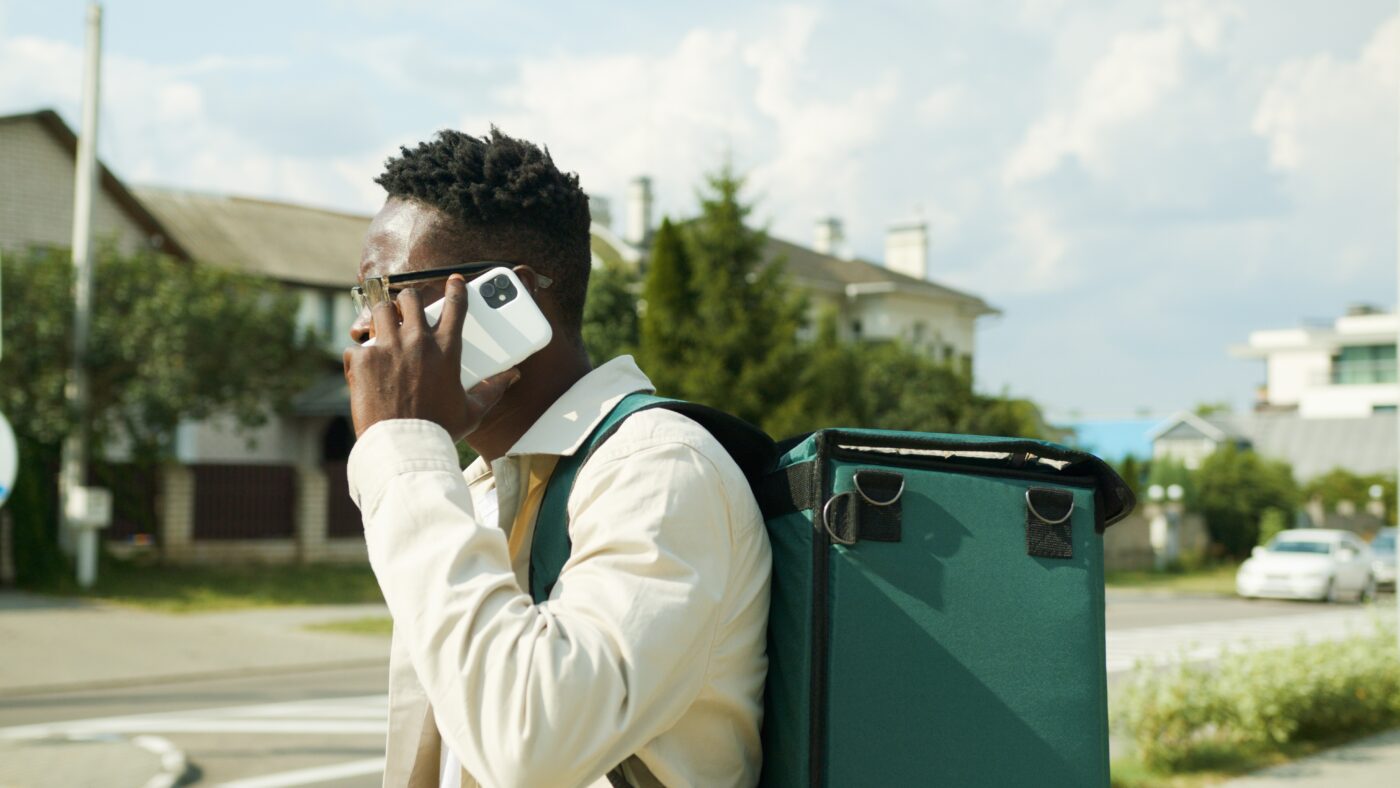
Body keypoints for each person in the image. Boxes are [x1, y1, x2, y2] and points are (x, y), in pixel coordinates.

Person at [342, 128, 772, 788]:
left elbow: (531, 743)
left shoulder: (658, 469)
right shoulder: (472, 490)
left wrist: (402, 445)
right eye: (363, 296)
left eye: (389, 290)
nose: (364, 325)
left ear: (506, 297)